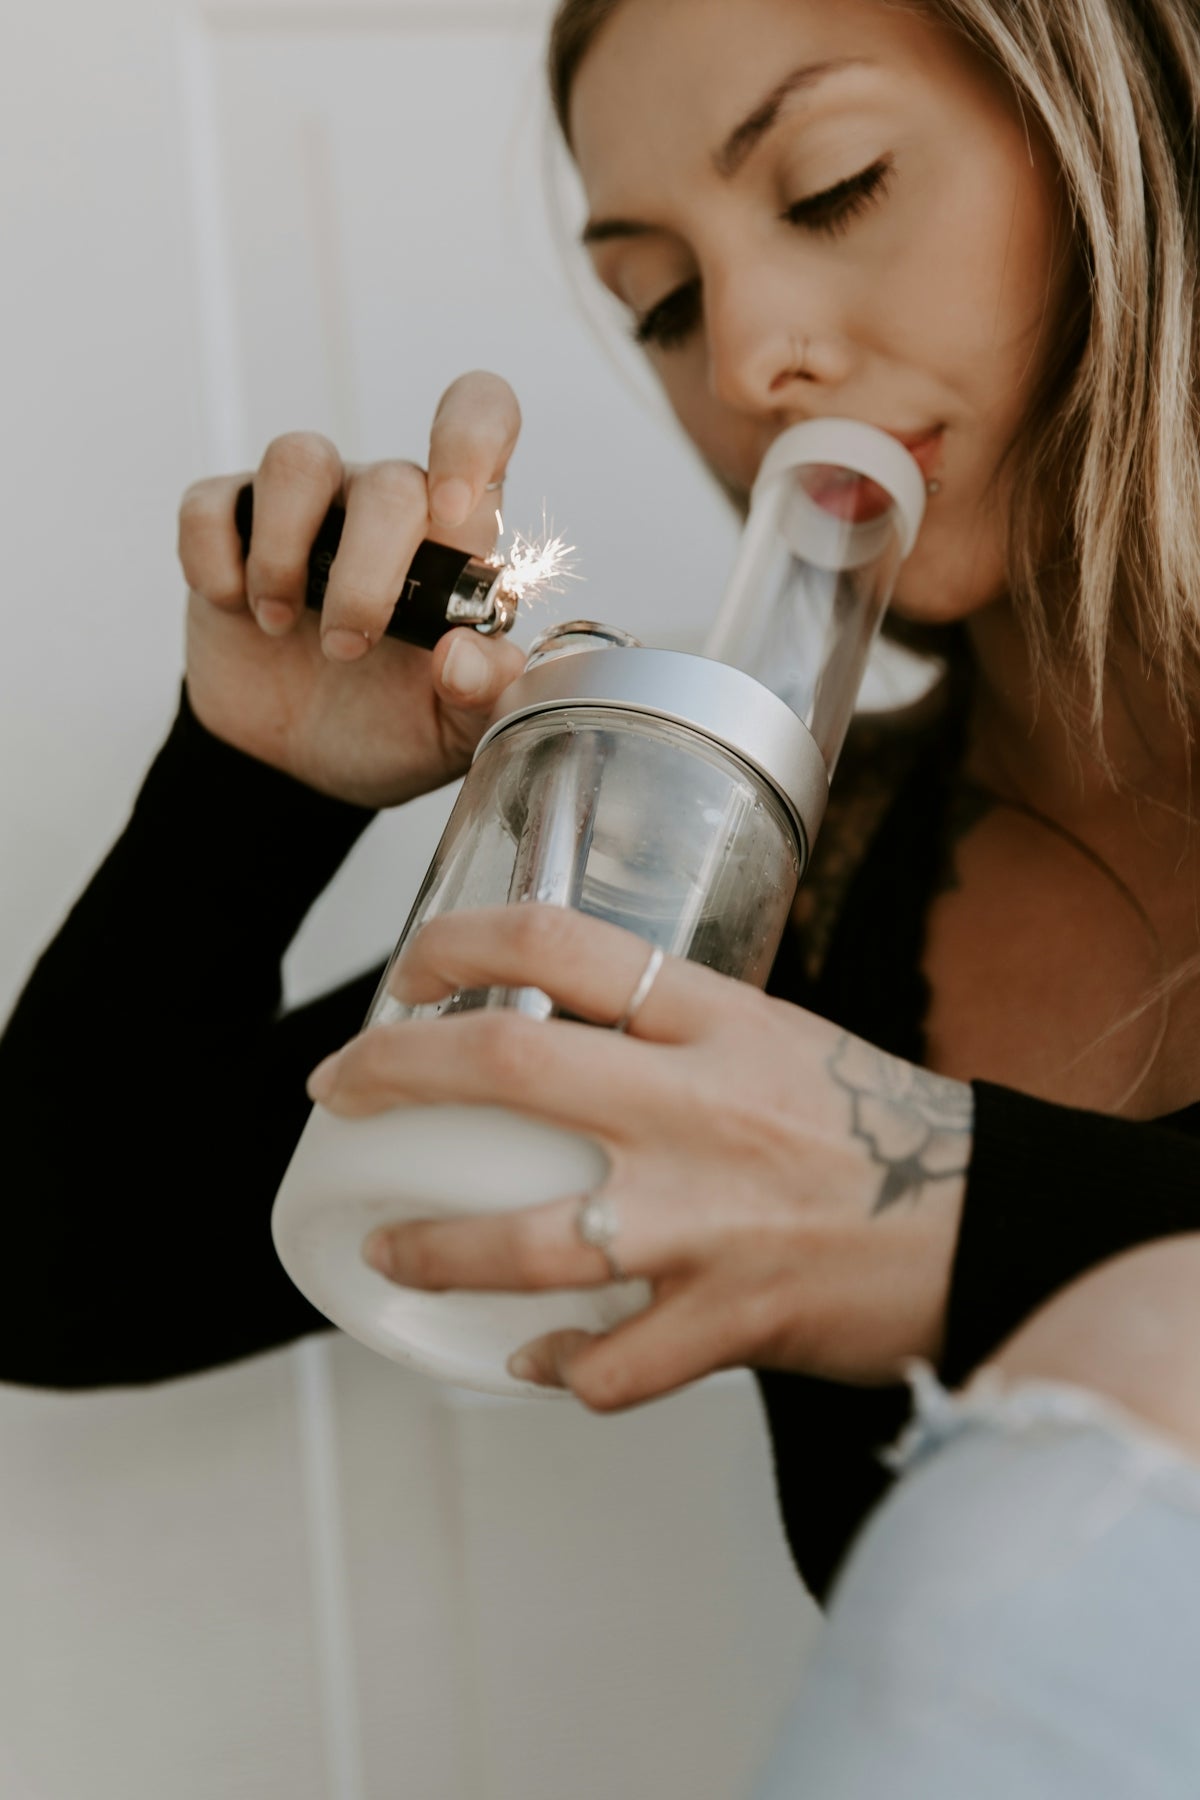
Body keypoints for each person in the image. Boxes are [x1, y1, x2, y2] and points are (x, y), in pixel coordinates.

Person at [4, 0, 1200, 1789]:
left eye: (831, 182)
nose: (746, 363)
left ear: (1134, 116)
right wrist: (257, 785)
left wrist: (936, 1204)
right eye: (661, 298)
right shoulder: (778, 879)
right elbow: (63, 1271)